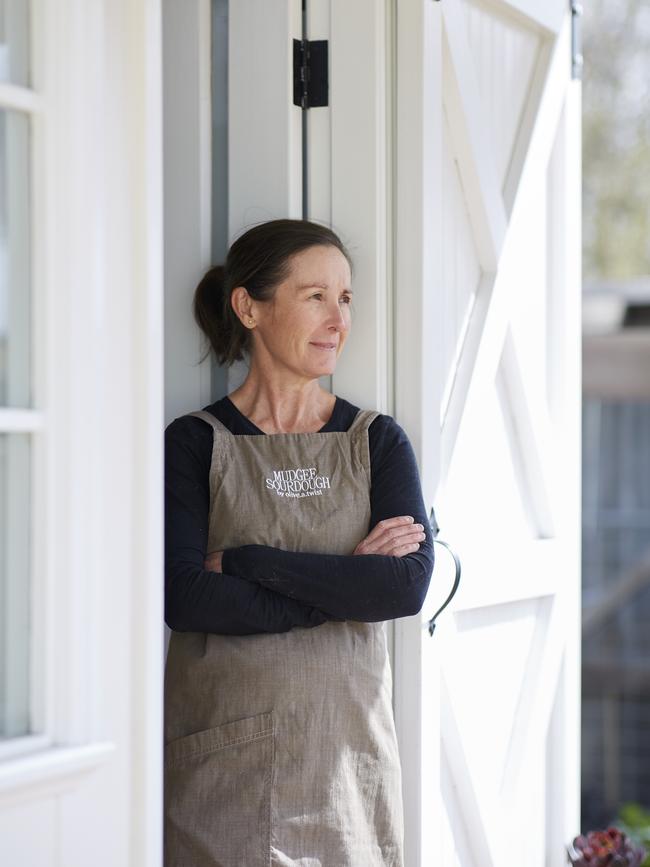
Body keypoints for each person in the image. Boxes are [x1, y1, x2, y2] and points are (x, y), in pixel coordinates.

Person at [163, 218, 435, 867]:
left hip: (347, 763)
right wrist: (345, 584)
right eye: (315, 296)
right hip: (224, 769)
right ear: (249, 306)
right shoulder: (195, 442)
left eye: (344, 298)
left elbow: (403, 586)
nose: (337, 319)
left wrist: (251, 564)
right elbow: (189, 596)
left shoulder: (377, 441)